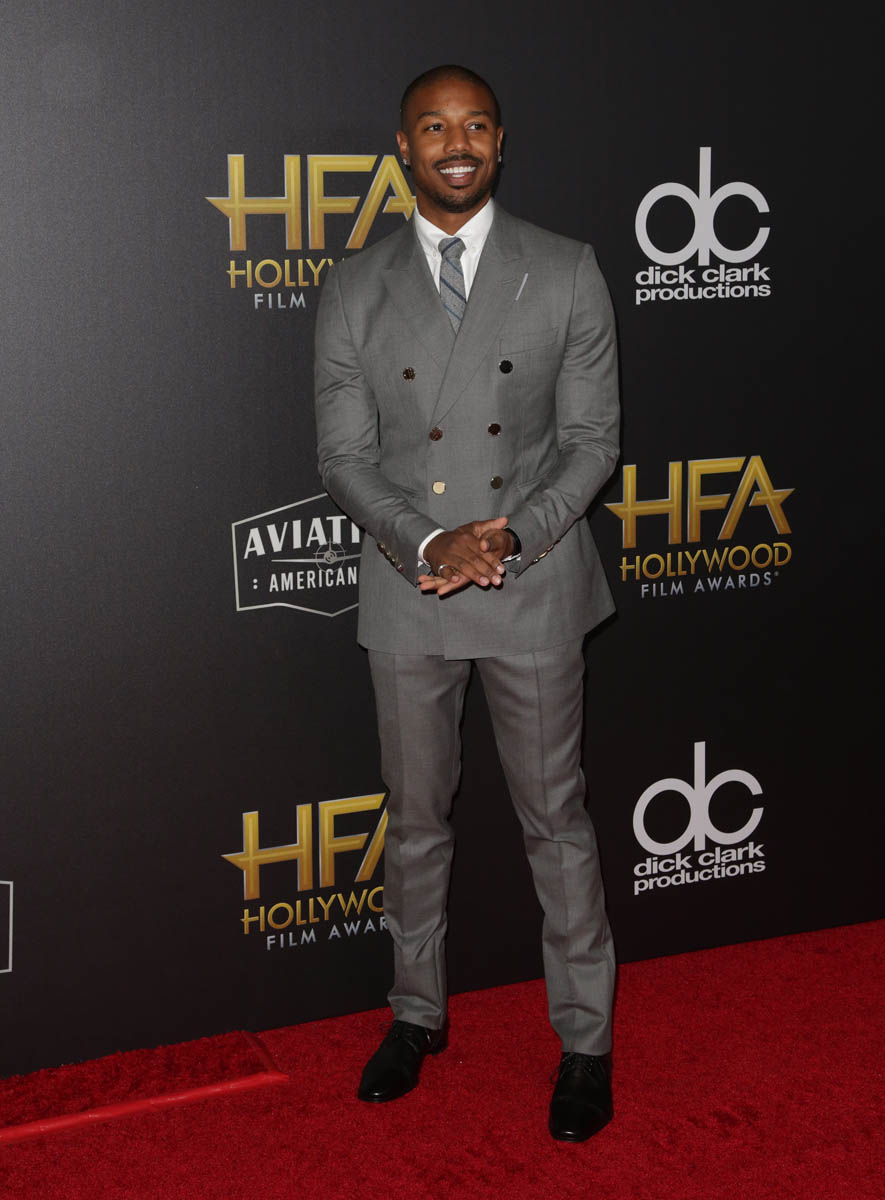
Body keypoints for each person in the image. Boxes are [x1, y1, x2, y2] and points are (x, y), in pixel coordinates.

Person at [314, 64, 619, 1142]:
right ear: (403, 147)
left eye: (476, 125)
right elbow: (345, 458)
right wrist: (428, 541)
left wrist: (513, 535)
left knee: (556, 819)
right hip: (410, 587)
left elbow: (591, 442)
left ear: (499, 142)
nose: (457, 143)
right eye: (434, 127)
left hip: (531, 581)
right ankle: (415, 1013)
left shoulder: (566, 269)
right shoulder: (353, 287)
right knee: (414, 821)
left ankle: (586, 1039)